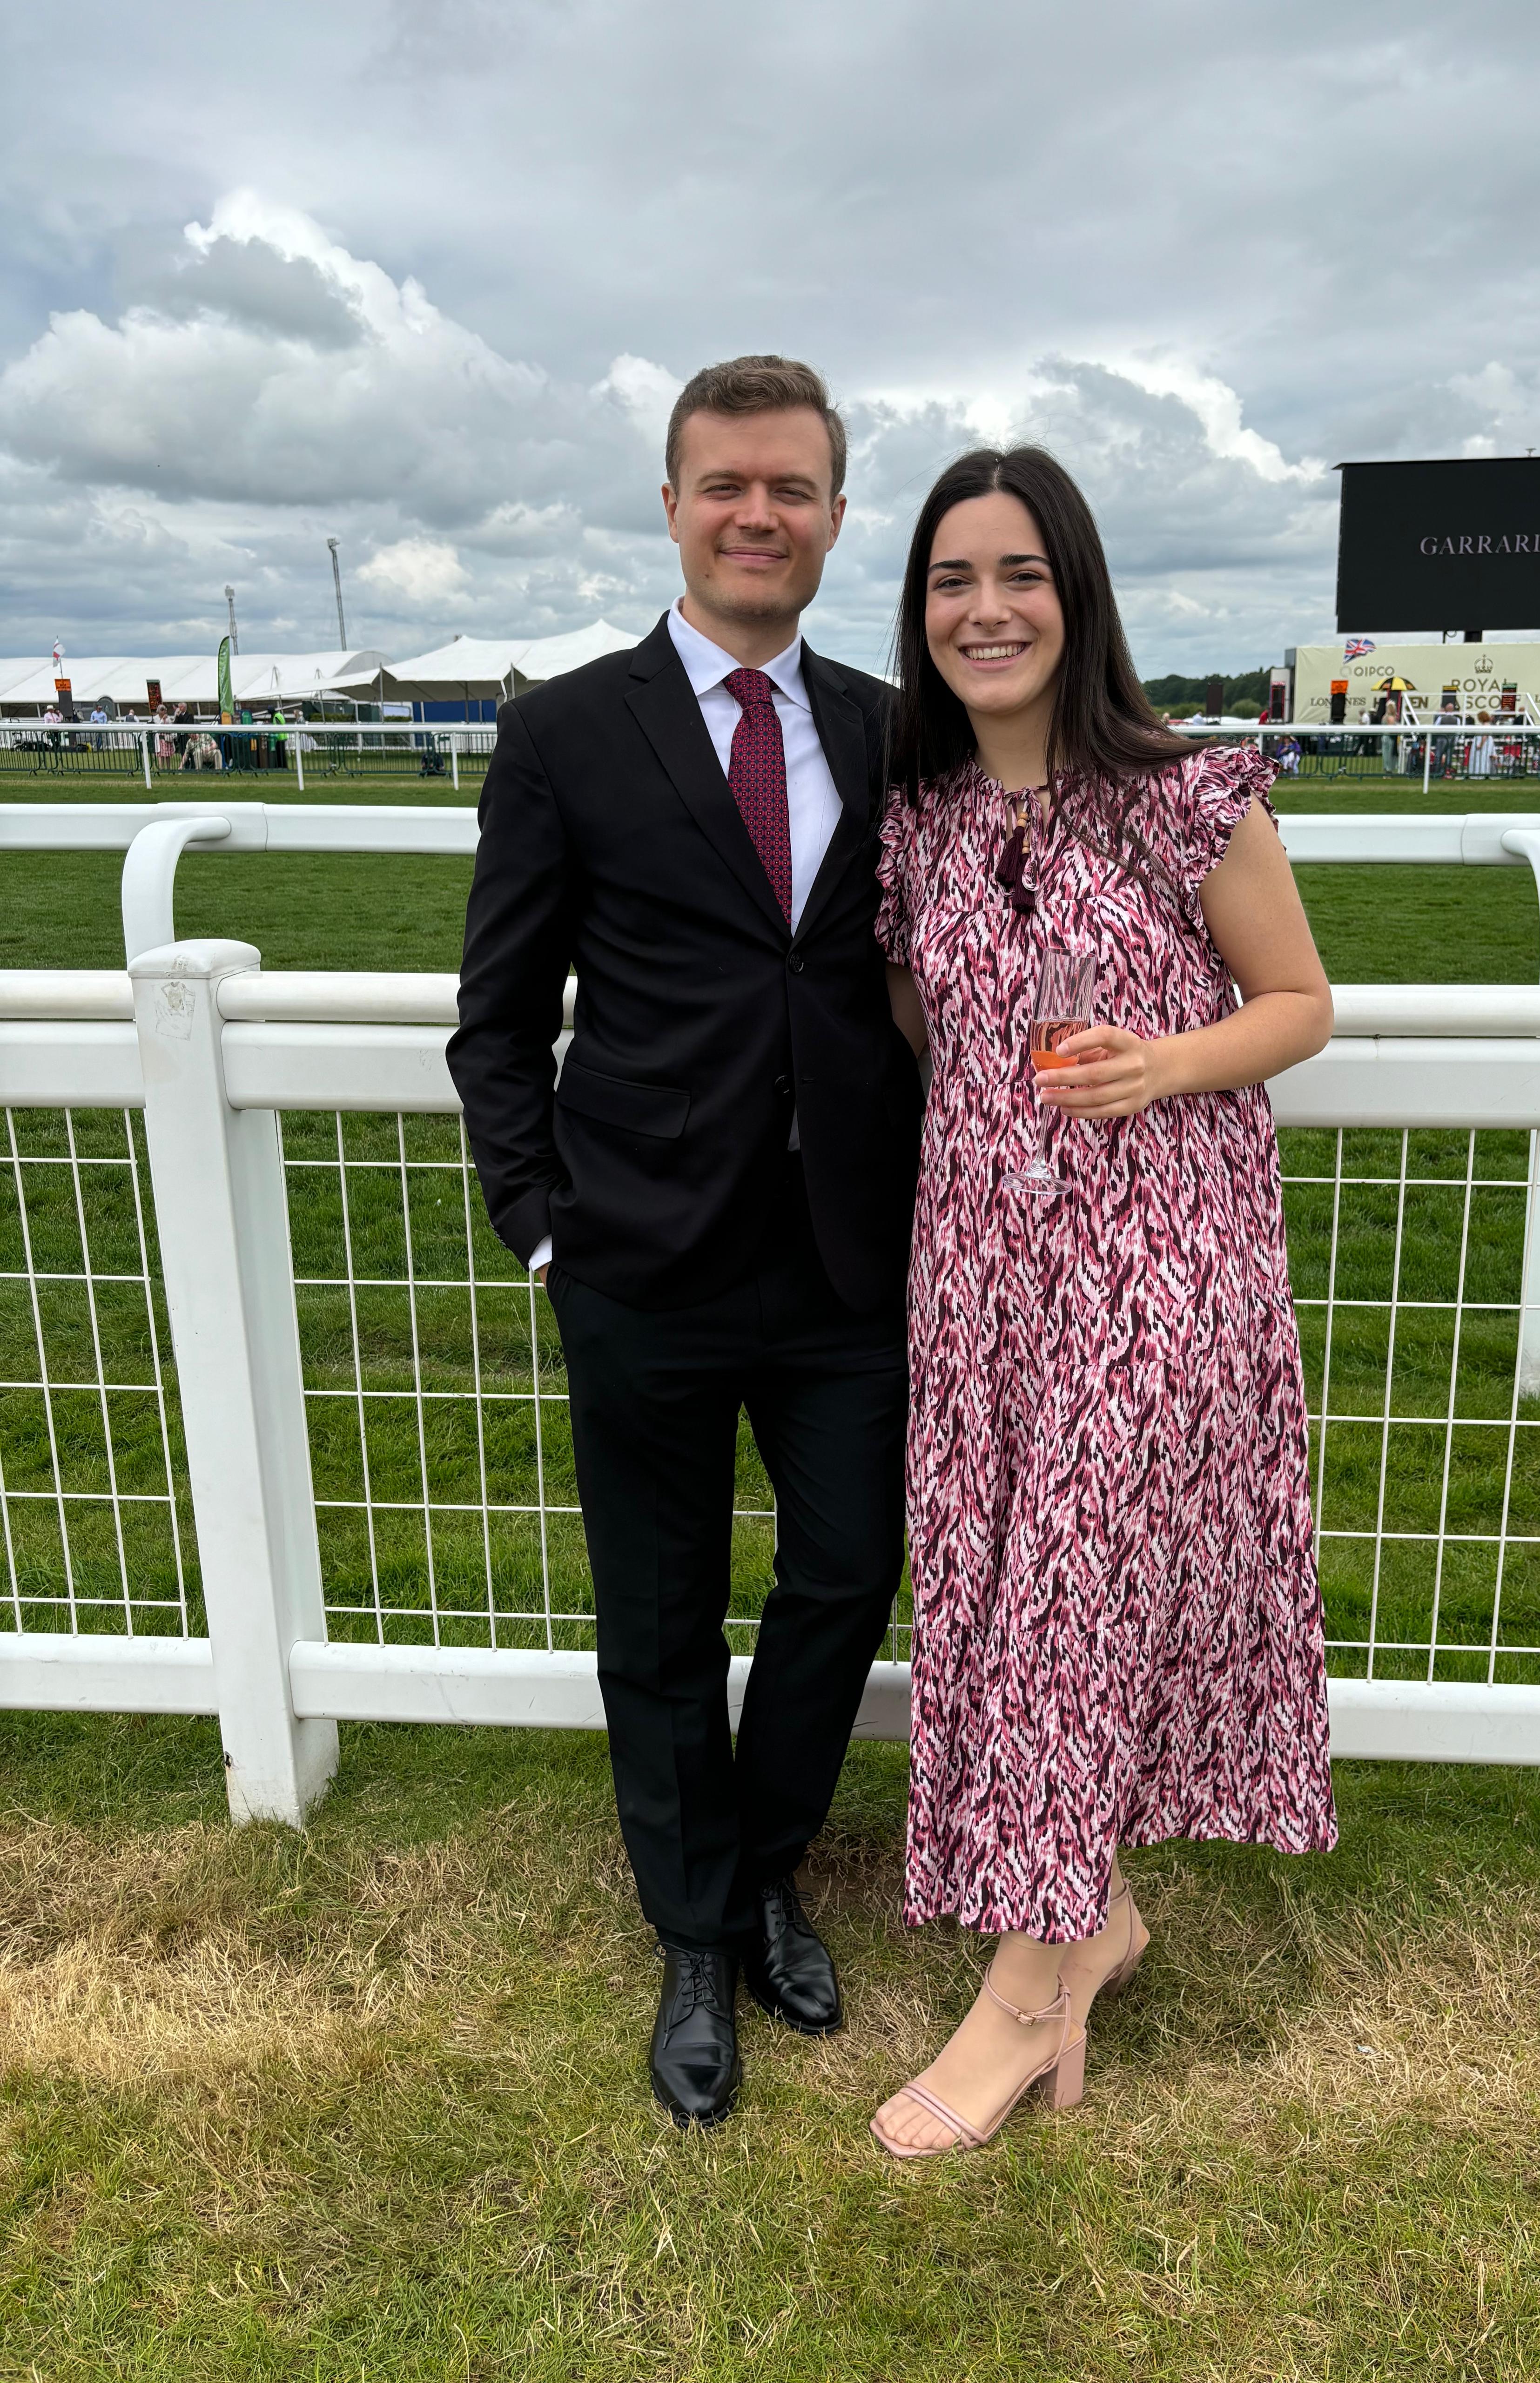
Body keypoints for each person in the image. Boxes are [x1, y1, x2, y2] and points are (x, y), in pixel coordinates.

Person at [448, 356, 922, 2131]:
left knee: (841, 1574)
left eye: (790, 488)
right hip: (638, 1257)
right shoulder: (565, 729)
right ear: (671, 505)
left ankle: (773, 1863)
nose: (757, 515)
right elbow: (498, 1020)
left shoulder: (894, 731)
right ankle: (696, 1934)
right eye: (724, 485)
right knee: (656, 1611)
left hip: (845, 1266)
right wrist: (538, 1228)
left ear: (830, 515)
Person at [868, 447, 1336, 2159]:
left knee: (1071, 1602)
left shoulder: (1188, 792)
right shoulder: (915, 827)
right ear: (920, 616)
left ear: (1077, 594)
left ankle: (1022, 1998)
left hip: (1158, 1264)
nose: (984, 612)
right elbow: (937, 1040)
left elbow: (1298, 1003)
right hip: (984, 1268)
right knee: (1009, 1606)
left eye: (1018, 576)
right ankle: (1102, 1913)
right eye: (949, 582)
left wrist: (1163, 1064)